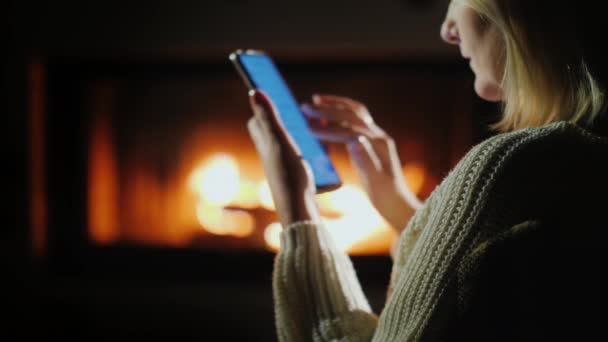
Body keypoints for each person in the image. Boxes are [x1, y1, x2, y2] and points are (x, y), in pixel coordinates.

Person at [246, 0, 608, 340]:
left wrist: (295, 204)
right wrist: (397, 203)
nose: (447, 30)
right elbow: (473, 292)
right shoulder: (580, 156)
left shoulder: (514, 164)